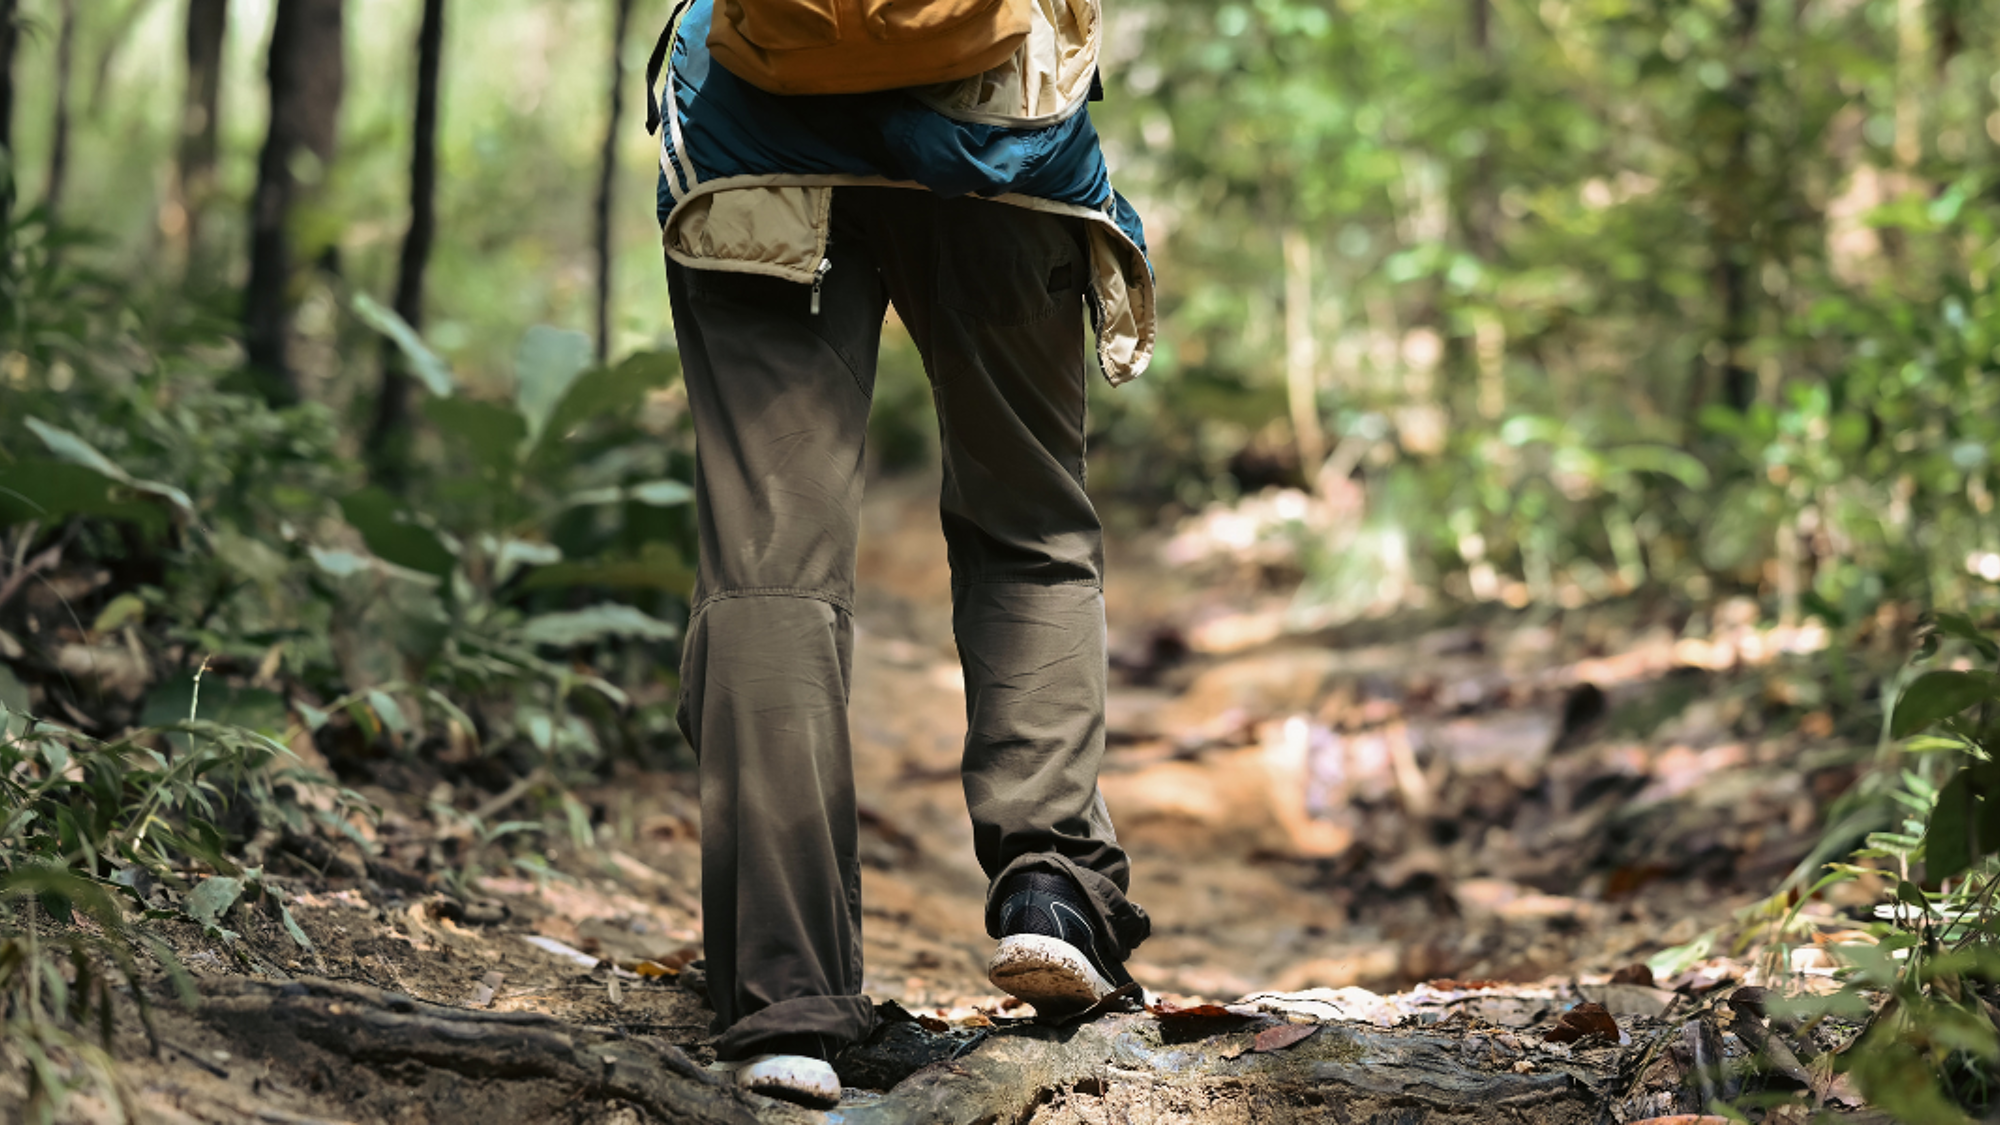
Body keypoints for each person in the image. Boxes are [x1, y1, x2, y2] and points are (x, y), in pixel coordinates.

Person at [644, 0, 1158, 1106]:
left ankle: (784, 1002)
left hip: (753, 139)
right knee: (1027, 527)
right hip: (1000, 132)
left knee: (766, 568)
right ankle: (1051, 889)